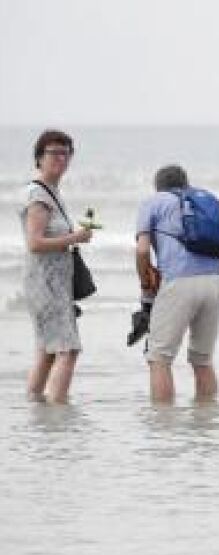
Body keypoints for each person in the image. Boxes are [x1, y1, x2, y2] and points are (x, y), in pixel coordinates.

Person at [135, 165, 219, 403]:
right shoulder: (205, 199)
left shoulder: (153, 202)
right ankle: (207, 417)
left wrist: (146, 287)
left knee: (159, 358)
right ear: (186, 183)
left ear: (157, 187)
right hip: (216, 282)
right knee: (202, 359)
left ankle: (163, 421)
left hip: (179, 282)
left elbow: (142, 250)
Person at [19, 129, 93, 403]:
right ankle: (58, 411)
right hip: (45, 284)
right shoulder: (39, 196)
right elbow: (34, 243)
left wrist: (73, 236)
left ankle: (35, 407)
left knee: (47, 351)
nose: (61, 158)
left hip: (52, 284)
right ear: (39, 158)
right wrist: (76, 238)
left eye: (66, 153)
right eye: (54, 153)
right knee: (67, 350)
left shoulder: (50, 192)